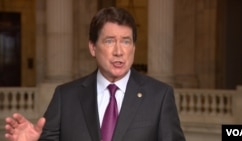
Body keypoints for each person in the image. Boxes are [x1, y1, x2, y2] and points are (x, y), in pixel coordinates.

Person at [5, 6, 186, 141]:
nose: (119, 51)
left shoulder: (159, 96)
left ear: (134, 47)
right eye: (109, 41)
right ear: (93, 47)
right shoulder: (65, 97)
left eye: (126, 41)